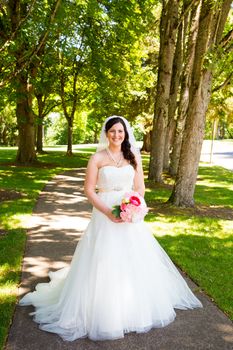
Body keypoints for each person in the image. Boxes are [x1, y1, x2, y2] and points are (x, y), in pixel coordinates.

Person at [19, 115, 202, 342]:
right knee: (102, 259)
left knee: (133, 258)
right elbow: (89, 190)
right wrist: (108, 212)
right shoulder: (97, 158)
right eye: (113, 131)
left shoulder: (133, 156)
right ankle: (102, 310)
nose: (117, 135)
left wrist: (132, 207)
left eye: (121, 131)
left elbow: (140, 187)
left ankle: (132, 307)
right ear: (106, 133)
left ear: (126, 134)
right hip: (104, 213)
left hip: (129, 216)